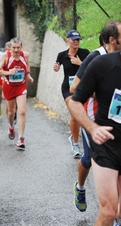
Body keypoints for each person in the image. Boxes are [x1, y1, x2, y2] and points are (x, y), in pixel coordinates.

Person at [68, 38, 121, 226]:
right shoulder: (102, 64)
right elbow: (74, 100)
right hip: (107, 143)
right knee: (109, 211)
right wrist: (92, 128)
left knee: (118, 213)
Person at [53, 30, 90, 158]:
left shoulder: (85, 53)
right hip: (67, 89)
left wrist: (81, 64)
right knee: (75, 114)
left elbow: (92, 70)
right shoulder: (62, 55)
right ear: (67, 40)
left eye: (78, 39)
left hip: (82, 88)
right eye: (73, 39)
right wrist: (56, 68)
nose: (76, 42)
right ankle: (75, 144)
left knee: (82, 116)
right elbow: (56, 67)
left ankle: (81, 142)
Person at [0, 37, 34, 150]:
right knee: (11, 111)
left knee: (22, 111)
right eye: (14, 48)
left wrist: (28, 75)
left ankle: (21, 138)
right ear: (10, 48)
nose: (16, 50)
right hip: (9, 86)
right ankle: (11, 126)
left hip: (21, 86)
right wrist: (9, 72)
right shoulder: (5, 56)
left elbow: (27, 65)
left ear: (21, 47)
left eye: (18, 48)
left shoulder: (25, 55)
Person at [0, 41, 11, 122]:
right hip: (1, 77)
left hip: (10, 79)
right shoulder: (1, 55)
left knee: (8, 98)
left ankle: (10, 112)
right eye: (8, 49)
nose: (10, 51)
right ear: (5, 48)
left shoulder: (15, 56)